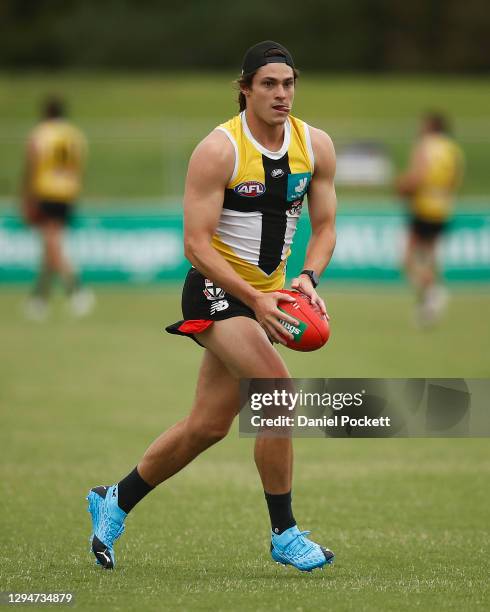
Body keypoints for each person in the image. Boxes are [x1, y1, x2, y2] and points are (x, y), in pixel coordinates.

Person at [87, 41, 337, 572]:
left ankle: (115, 498)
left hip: (266, 298)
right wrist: (255, 300)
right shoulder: (219, 149)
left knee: (207, 426)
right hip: (217, 290)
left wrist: (310, 278)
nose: (281, 94)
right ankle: (285, 533)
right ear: (244, 88)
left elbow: (327, 226)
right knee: (278, 393)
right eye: (268, 84)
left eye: (288, 83)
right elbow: (196, 244)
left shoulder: (315, 146)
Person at [21, 96, 94, 320]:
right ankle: (39, 298)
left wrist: (26, 196)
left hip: (46, 191)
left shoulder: (41, 133)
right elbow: (79, 165)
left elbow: (31, 164)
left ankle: (78, 289)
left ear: (45, 113)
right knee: (50, 245)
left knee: (52, 245)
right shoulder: (74, 135)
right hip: (67, 193)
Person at [396, 112, 464, 327]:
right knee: (430, 256)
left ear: (430, 126)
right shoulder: (453, 149)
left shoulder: (424, 146)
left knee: (407, 258)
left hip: (423, 208)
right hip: (442, 208)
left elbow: (418, 176)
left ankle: (433, 292)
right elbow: (455, 179)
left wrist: (402, 186)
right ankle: (427, 301)